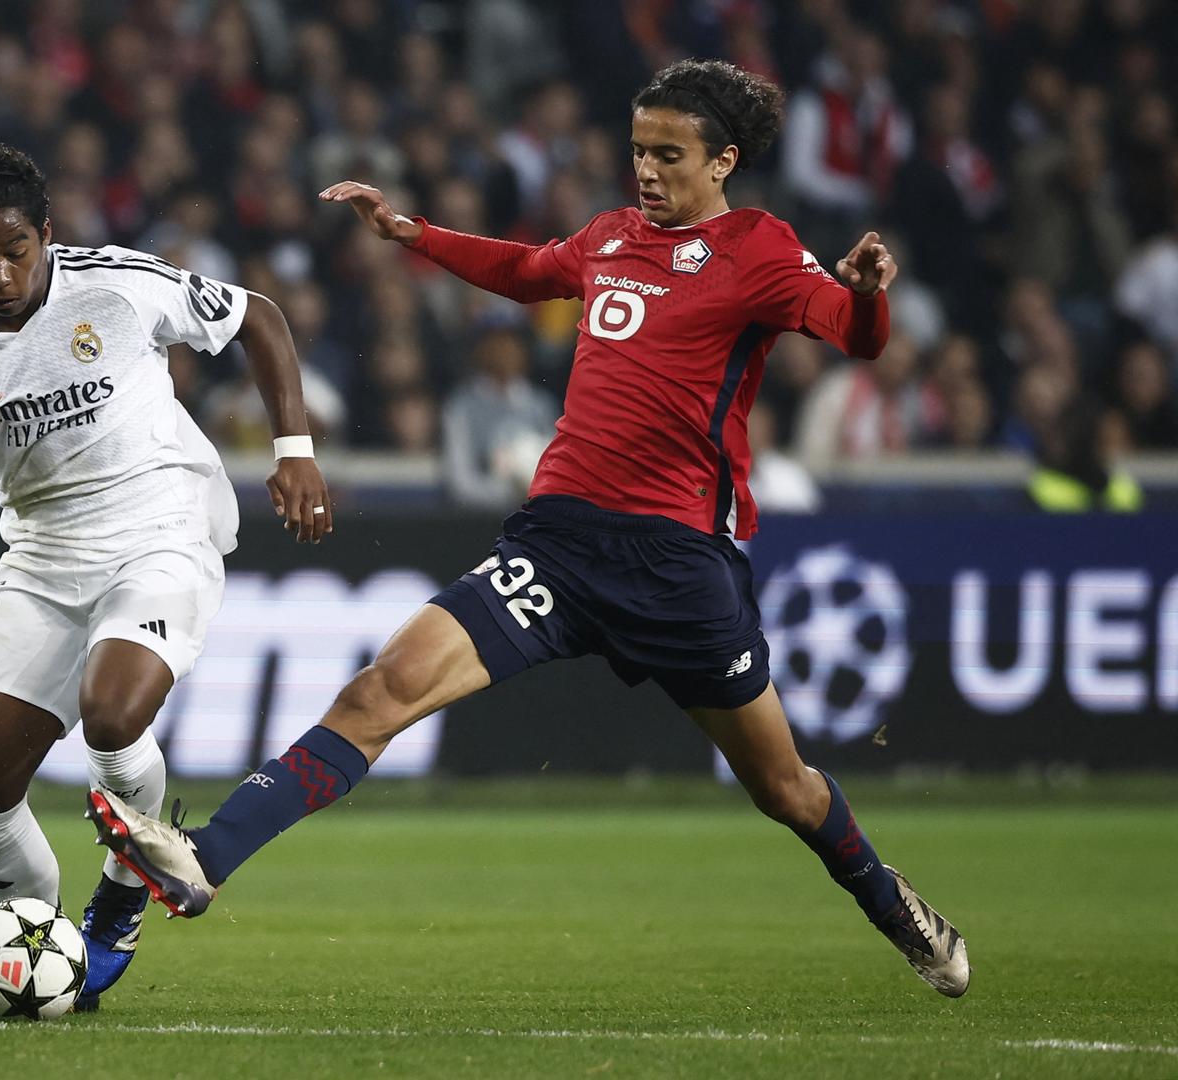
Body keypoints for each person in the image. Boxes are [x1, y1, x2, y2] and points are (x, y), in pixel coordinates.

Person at [87, 60, 969, 998]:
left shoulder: (759, 248)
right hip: (555, 544)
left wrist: (869, 291)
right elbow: (525, 270)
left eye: (670, 155)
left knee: (783, 788)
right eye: (639, 150)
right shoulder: (610, 238)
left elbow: (855, 334)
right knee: (380, 691)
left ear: (725, 162)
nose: (648, 170)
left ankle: (891, 903)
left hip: (677, 566)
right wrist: (409, 232)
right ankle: (203, 858)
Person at [0, 143, 332, 1012]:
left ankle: (122, 899)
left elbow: (259, 318)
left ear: (47, 233)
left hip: (159, 523)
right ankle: (44, 953)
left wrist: (294, 452)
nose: (3, 273)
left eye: (18, 250)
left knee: (112, 716)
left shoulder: (119, 283)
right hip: (43, 551)